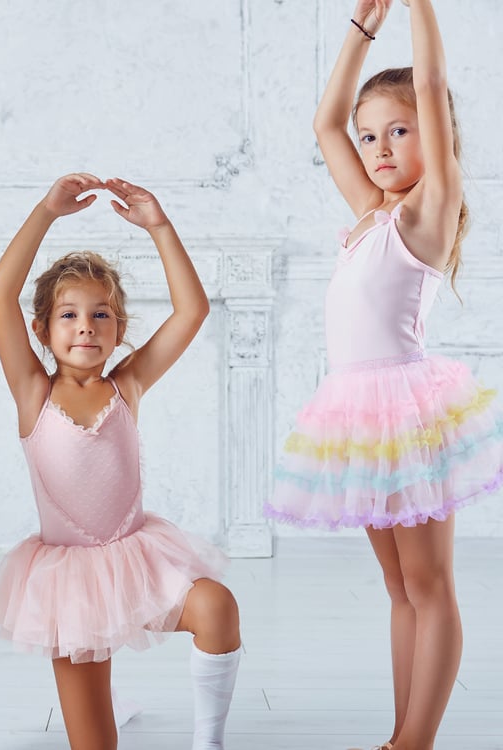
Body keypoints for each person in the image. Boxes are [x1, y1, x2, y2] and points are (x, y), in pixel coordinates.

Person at [265, 2, 503, 749]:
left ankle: (416, 740)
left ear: (433, 138)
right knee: (400, 589)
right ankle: (401, 735)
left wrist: (420, 6)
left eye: (398, 130)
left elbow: (430, 83)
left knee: (429, 587)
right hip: (357, 417)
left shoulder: (431, 209)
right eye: (371, 137)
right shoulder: (371, 212)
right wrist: (360, 28)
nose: (378, 147)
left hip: (408, 409)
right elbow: (324, 124)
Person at [0, 173, 241, 750]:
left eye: (101, 315)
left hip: (140, 562)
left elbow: (192, 309)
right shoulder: (33, 393)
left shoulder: (129, 384)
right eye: (69, 315)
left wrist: (160, 226)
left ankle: (210, 741)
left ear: (120, 329)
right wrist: (46, 211)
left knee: (217, 606)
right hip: (70, 585)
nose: (85, 328)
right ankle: (109, 709)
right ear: (42, 330)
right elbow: (1, 291)